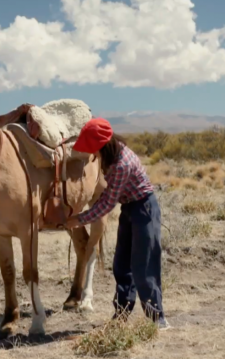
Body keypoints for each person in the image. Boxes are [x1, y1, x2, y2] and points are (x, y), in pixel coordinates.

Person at [65, 117, 169, 330]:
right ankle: (121, 314)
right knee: (122, 265)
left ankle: (157, 319)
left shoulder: (122, 164)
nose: (91, 153)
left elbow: (106, 203)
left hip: (144, 210)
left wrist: (78, 219)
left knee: (144, 266)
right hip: (129, 208)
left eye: (92, 148)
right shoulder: (111, 155)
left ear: (102, 145)